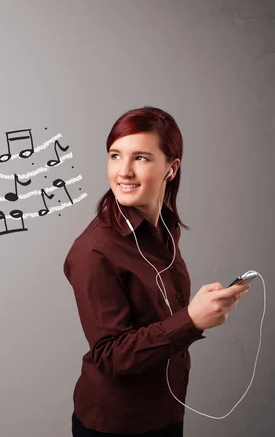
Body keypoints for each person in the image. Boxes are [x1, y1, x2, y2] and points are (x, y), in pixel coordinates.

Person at [63, 106, 250, 436]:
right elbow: (109, 356)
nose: (124, 171)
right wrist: (191, 319)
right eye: (115, 156)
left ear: (171, 168)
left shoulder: (164, 227)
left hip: (166, 411)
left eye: (141, 158)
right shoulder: (93, 252)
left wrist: (201, 311)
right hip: (118, 425)